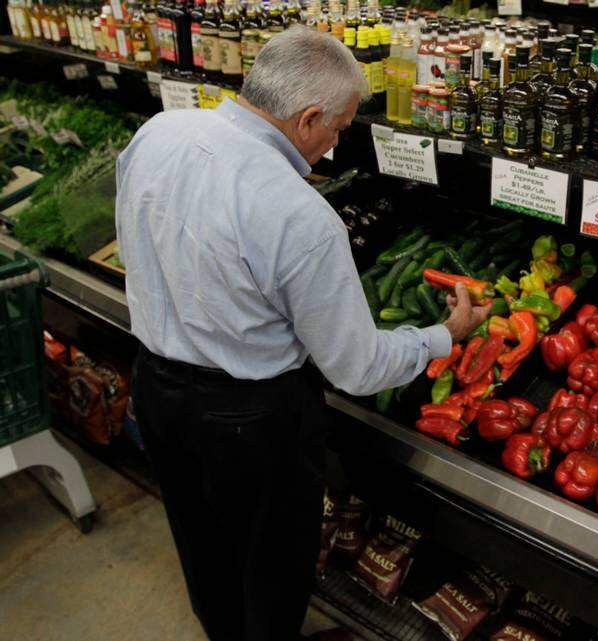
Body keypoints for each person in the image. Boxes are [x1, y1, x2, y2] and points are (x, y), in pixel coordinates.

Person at [114, 26, 489, 641]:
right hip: (250, 422)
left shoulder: (159, 133)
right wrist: (445, 334)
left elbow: (139, 250)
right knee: (272, 567)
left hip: (156, 386)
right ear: (309, 116)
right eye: (339, 128)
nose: (338, 146)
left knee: (202, 543)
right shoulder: (298, 213)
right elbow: (357, 368)